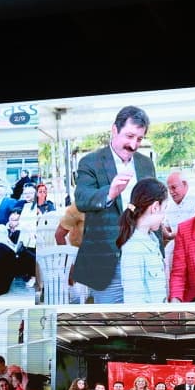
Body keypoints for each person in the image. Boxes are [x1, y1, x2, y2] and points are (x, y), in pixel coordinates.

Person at [74, 106, 157, 302]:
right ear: (114, 130)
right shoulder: (90, 162)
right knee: (111, 314)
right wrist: (110, 193)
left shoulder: (146, 163)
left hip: (144, 257)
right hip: (108, 263)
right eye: (129, 136)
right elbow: (82, 199)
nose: (134, 145)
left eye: (139, 139)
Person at [116, 178, 169, 305]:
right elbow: (134, 302)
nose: (164, 216)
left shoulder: (152, 239)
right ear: (155, 207)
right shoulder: (134, 249)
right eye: (164, 209)